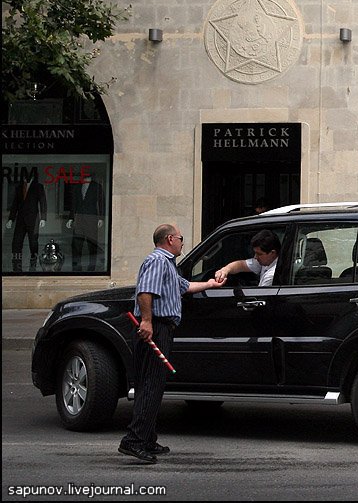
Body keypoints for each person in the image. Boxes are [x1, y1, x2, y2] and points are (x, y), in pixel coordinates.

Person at [119, 224, 225, 464]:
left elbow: (184, 286)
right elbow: (145, 292)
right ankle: (134, 440)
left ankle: (147, 438)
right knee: (150, 385)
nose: (182, 242)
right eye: (180, 238)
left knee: (153, 385)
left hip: (161, 327)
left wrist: (210, 284)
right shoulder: (158, 261)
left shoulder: (167, 264)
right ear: (169, 239)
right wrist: (147, 321)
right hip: (155, 328)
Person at [5, 170, 47, 271]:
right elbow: (15, 204)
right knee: (16, 242)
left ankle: (33, 265)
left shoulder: (38, 186)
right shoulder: (19, 187)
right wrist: (11, 219)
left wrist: (43, 218)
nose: (25, 178)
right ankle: (16, 266)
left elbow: (43, 202)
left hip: (33, 219)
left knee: (33, 242)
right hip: (20, 219)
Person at [214, 229, 280, 287]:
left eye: (259, 254)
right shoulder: (267, 261)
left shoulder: (272, 275)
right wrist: (225, 270)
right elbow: (241, 265)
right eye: (255, 253)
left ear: (272, 253)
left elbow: (259, 295)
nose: (255, 257)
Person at [66, 175, 105, 271]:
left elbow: (101, 202)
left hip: (92, 218)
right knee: (76, 245)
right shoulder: (77, 186)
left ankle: (91, 268)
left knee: (92, 245)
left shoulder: (96, 186)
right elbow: (74, 203)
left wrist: (101, 218)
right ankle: (76, 268)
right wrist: (71, 218)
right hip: (79, 219)